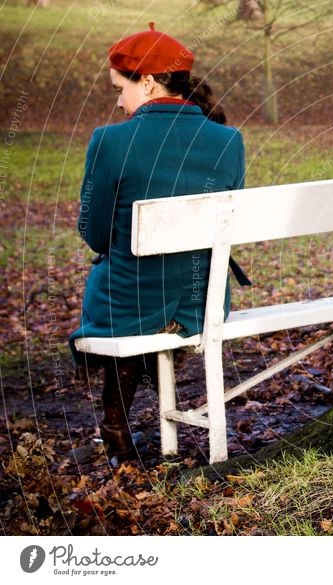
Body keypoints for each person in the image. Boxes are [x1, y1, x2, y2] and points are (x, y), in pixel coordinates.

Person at [70, 23, 246, 465]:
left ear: (147, 81)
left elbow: (92, 233)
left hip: (130, 303)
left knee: (121, 290)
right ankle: (121, 422)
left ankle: (115, 423)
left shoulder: (110, 141)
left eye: (120, 88)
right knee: (156, 291)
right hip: (201, 302)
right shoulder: (229, 140)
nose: (118, 101)